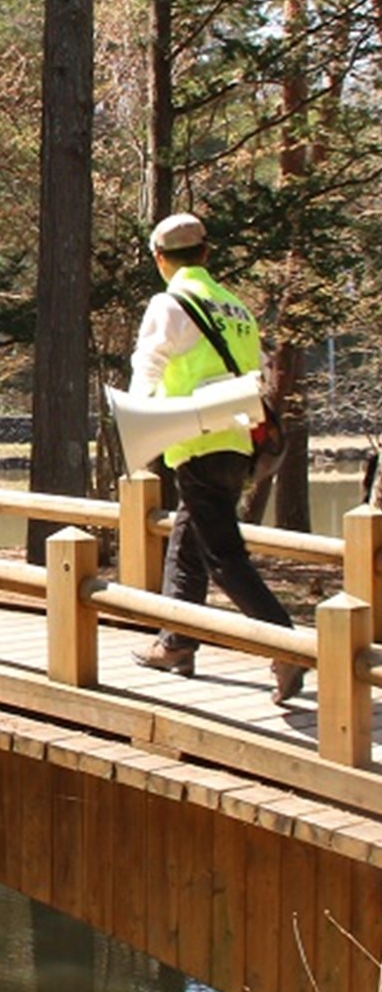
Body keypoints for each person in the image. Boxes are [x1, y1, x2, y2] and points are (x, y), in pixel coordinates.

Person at [128, 213, 304, 701]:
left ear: (160, 260)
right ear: (206, 253)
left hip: (196, 440)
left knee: (224, 555)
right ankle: (176, 640)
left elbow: (148, 364)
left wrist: (138, 423)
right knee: (189, 540)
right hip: (235, 444)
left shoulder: (170, 302)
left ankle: (287, 646)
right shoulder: (236, 307)